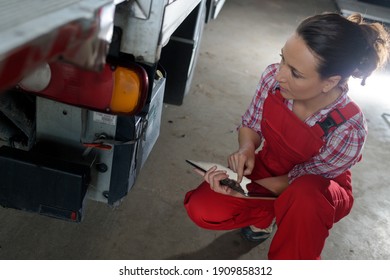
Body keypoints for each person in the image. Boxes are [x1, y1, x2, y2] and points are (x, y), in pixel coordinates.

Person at [184, 12, 390, 260]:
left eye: (296, 73)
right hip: (271, 166)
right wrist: (246, 149)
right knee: (204, 207)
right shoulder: (274, 80)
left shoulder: (349, 128)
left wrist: (247, 190)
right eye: (283, 59)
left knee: (304, 200)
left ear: (330, 82)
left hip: (316, 190)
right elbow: (252, 123)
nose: (280, 74)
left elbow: (300, 179)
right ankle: (265, 216)